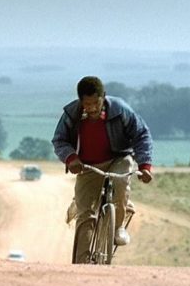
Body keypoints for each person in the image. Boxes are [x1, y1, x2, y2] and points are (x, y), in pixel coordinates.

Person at [52, 76, 154, 264]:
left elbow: (141, 134)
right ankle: (80, 264)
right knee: (86, 214)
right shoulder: (72, 114)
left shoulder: (120, 109)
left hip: (119, 158)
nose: (92, 108)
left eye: (95, 103)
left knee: (121, 180)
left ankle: (118, 227)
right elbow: (59, 140)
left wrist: (145, 165)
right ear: (80, 101)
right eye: (87, 104)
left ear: (103, 97)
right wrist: (71, 158)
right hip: (87, 165)